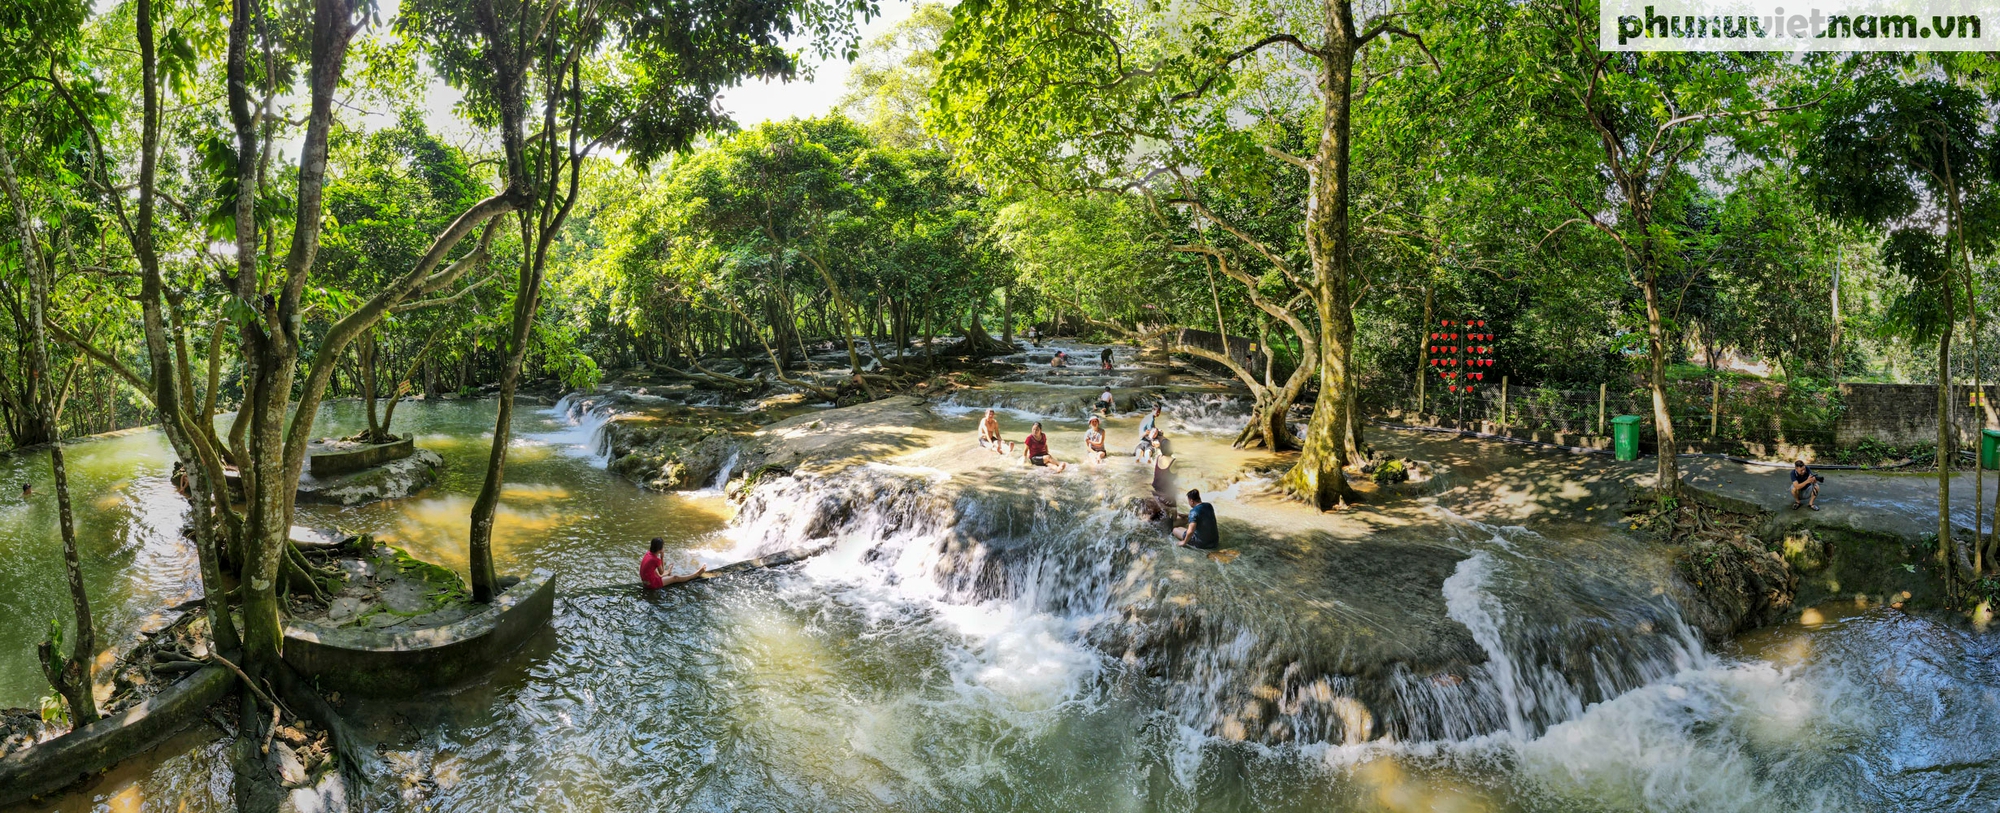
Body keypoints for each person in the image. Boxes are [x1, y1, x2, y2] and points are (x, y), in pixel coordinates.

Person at [640, 537, 706, 589]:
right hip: (651, 584)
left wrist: (667, 571)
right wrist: (662, 557)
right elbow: (661, 572)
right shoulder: (656, 560)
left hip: (645, 582)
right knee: (675, 577)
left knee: (656, 571)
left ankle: (668, 572)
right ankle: (695, 575)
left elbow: (657, 573)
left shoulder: (648, 553)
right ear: (660, 549)